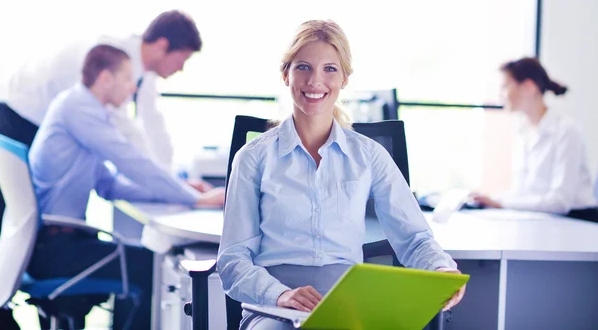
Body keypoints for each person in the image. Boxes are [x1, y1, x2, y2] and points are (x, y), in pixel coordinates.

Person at [217, 20, 465, 330]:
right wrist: (280, 295)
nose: (315, 81)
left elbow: (414, 239)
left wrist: (441, 269)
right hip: (274, 307)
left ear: (345, 79)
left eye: (330, 69)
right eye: (303, 67)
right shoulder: (254, 157)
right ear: (286, 75)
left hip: (348, 304)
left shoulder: (368, 155)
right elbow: (233, 259)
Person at [0, 11, 218, 327]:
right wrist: (193, 199)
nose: (132, 89)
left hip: (52, 245)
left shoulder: (85, 112)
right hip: (53, 249)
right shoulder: (78, 110)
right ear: (105, 80)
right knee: (151, 267)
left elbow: (110, 185)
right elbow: (131, 159)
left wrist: (177, 188)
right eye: (128, 81)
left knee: (145, 260)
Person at [471, 57, 598, 222]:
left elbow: (559, 202)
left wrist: (501, 203)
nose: (500, 95)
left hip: (576, 221)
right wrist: (494, 200)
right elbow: (522, 193)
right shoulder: (523, 131)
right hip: (542, 219)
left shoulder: (566, 131)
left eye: (505, 87)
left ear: (528, 87)